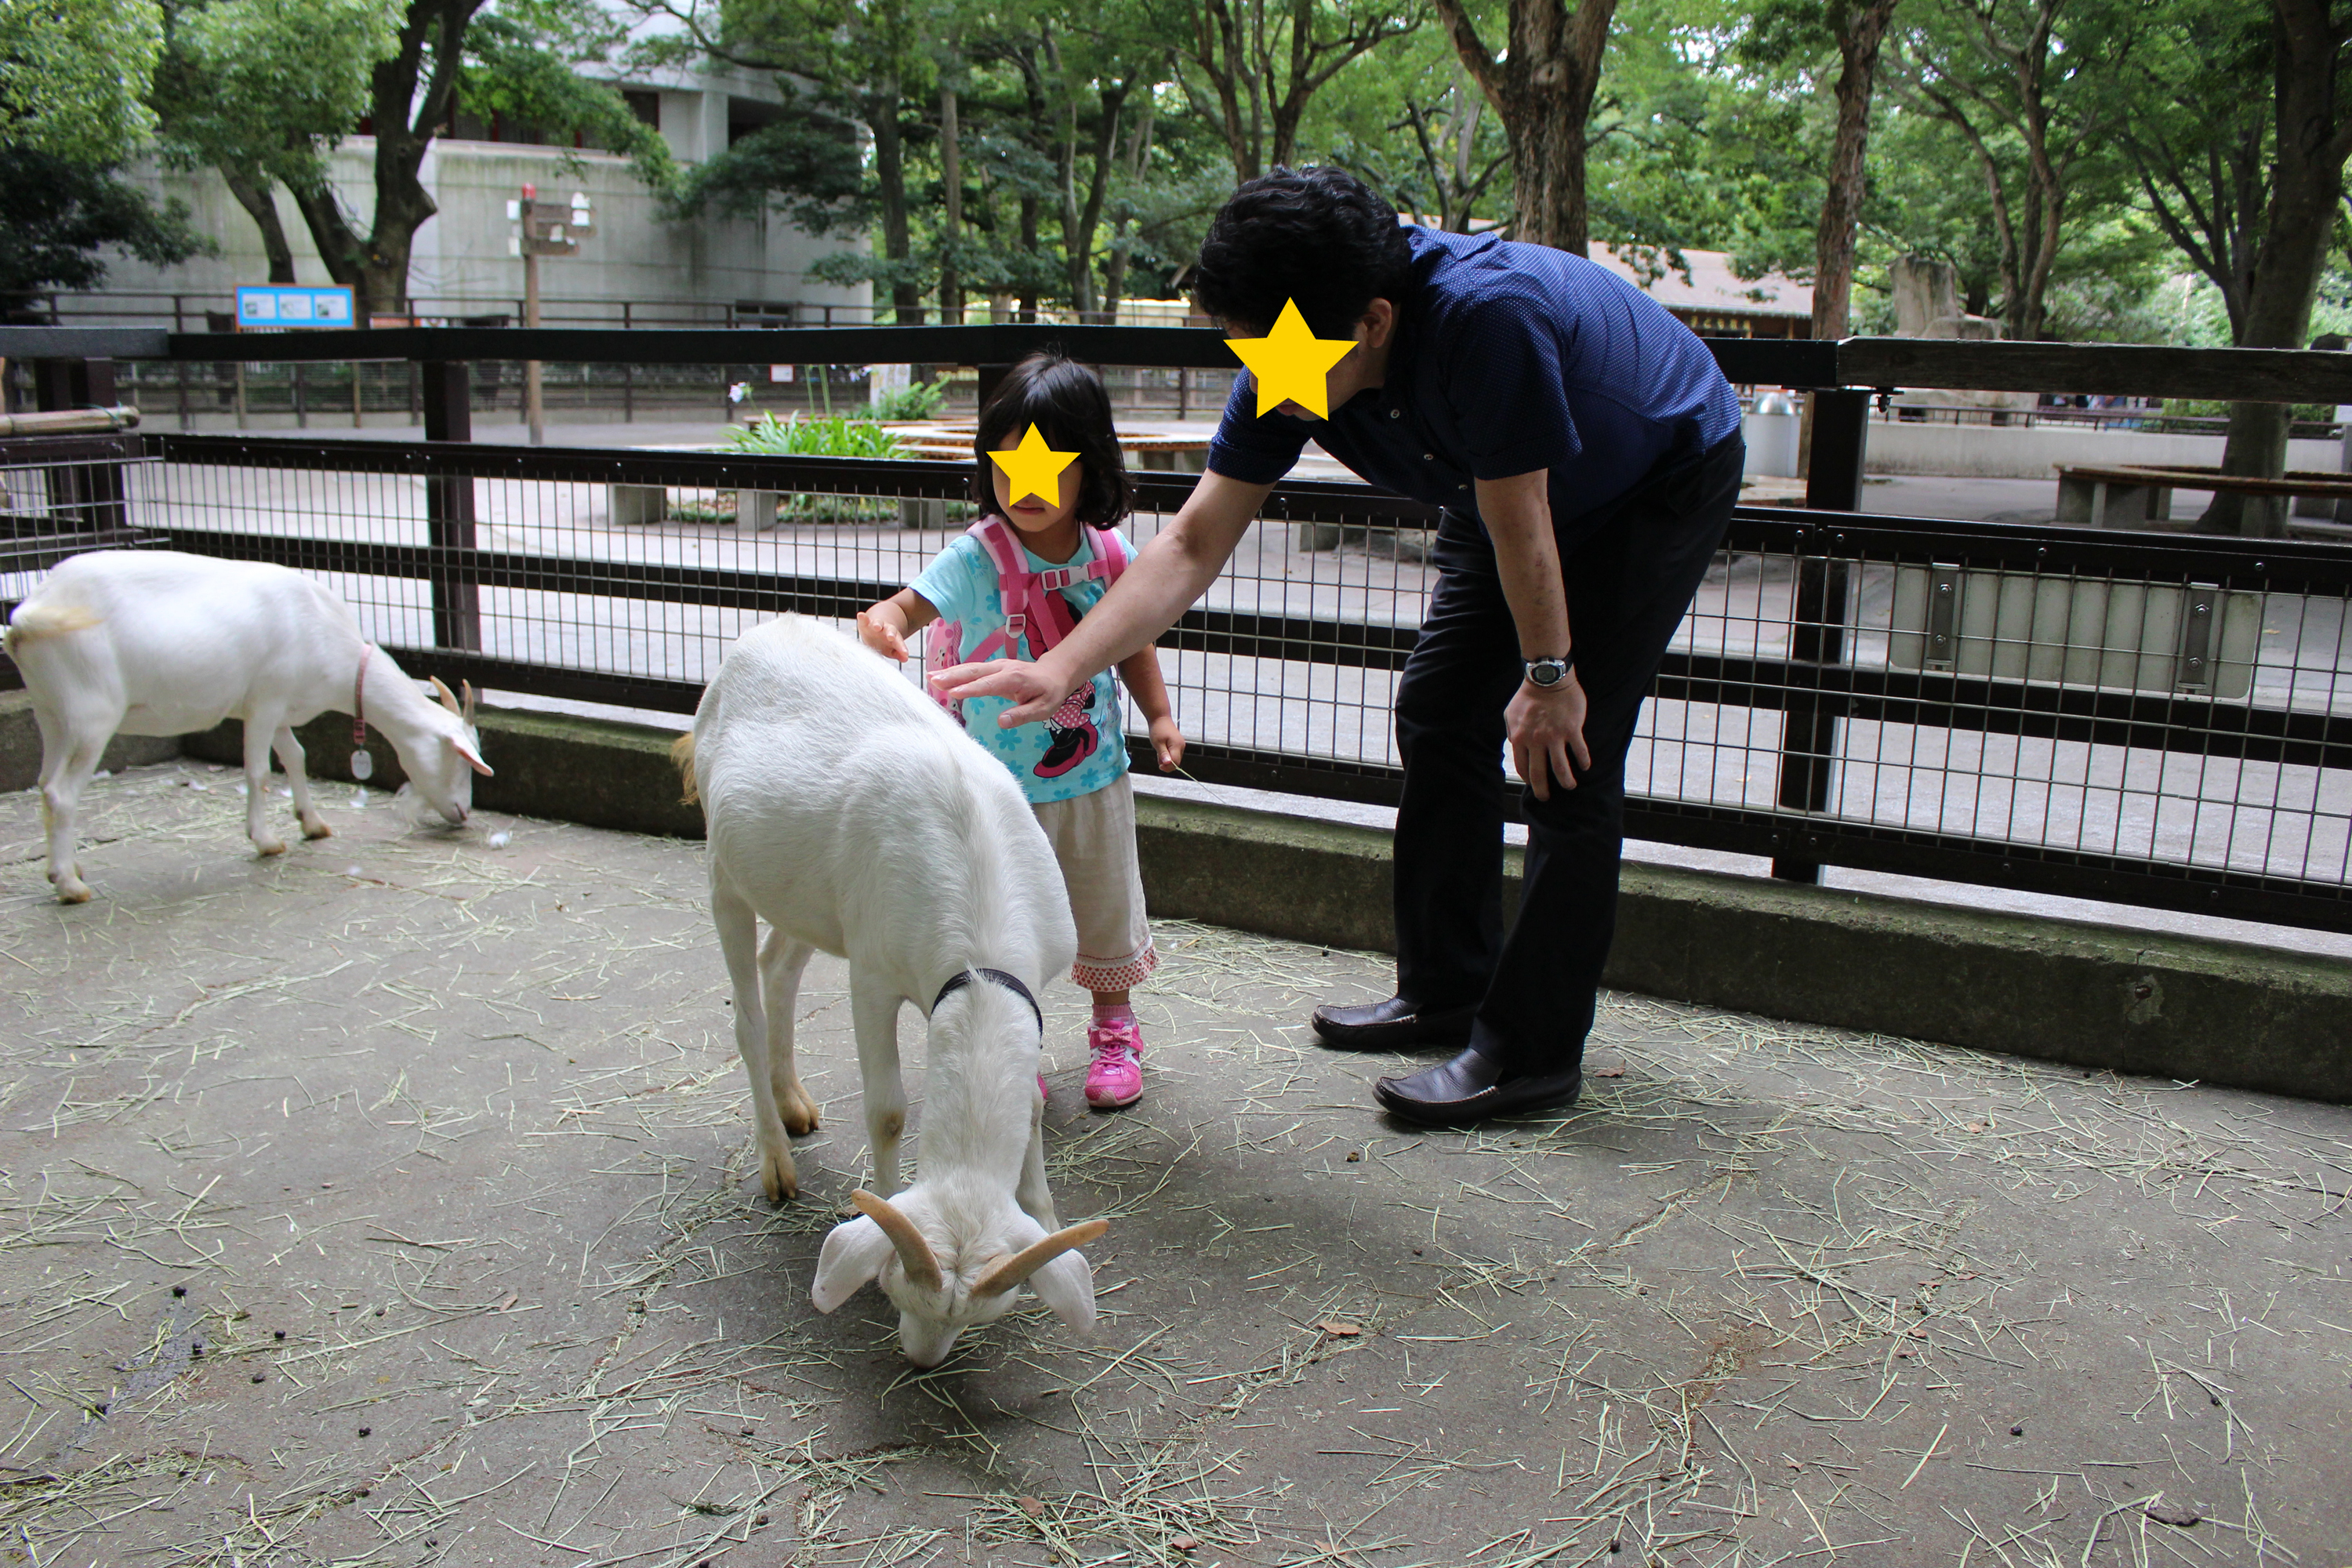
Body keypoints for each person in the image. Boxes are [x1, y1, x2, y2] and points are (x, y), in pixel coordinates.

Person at [933, 168, 1744, 1130]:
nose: (1263, 382)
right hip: (1501, 493)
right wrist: (1063, 665)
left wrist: (1550, 676)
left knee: (1566, 753)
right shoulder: (1290, 359)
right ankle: (1448, 989)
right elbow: (1192, 541)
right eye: (1248, 352)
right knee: (1441, 708)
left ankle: (1529, 1053)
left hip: (1651, 477)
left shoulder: (1486, 320)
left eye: (1276, 355)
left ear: (1373, 321)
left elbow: (1525, 509)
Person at [858, 353, 1185, 1110]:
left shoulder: (1108, 557)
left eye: (1048, 466)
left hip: (1093, 776)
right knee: (1002, 919)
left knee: (1102, 905)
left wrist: (1160, 715)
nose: (1025, 488)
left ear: (1091, 468)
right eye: (1009, 467)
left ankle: (1114, 1031)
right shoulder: (977, 556)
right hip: (993, 788)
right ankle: (1018, 1040)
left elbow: (1132, 640)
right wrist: (882, 624)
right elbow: (906, 608)